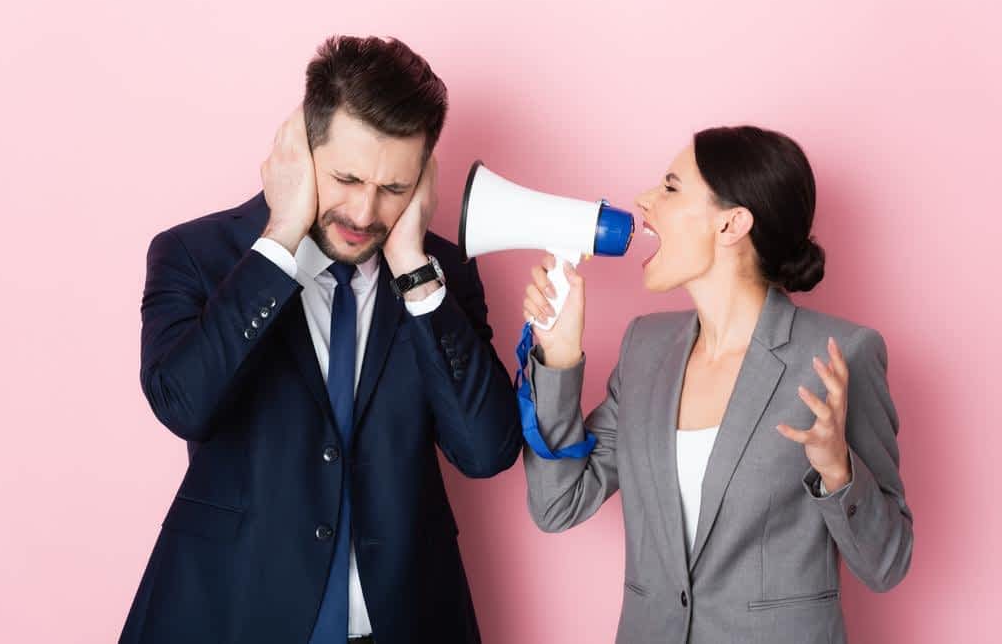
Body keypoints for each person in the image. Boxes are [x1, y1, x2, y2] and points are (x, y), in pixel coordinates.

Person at [121, 35, 522, 644]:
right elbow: (183, 403)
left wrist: (414, 269)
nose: (364, 212)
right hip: (229, 619)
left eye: (393, 188)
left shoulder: (441, 276)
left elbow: (486, 451)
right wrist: (280, 239)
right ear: (300, 151)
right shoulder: (196, 255)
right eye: (346, 177)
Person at [520, 126, 913, 643]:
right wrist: (560, 357)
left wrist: (838, 470)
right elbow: (558, 504)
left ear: (731, 223)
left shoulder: (839, 355)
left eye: (670, 187)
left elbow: (886, 565)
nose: (644, 201)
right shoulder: (644, 349)